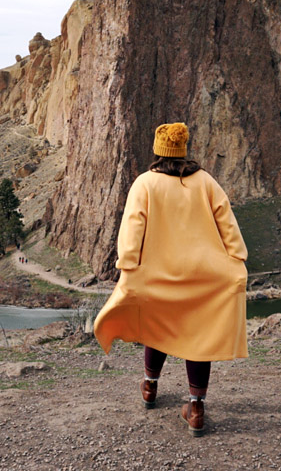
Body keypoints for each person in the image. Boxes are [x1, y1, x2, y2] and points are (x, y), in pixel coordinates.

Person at [93, 122, 248, 437]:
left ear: (158, 150)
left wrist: (128, 265)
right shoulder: (206, 181)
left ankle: (150, 387)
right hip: (205, 277)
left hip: (159, 277)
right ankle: (196, 408)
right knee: (199, 341)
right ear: (183, 149)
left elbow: (132, 229)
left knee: (156, 327)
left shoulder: (145, 184)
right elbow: (228, 224)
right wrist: (237, 259)